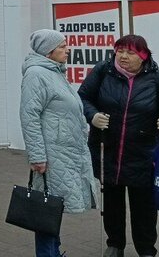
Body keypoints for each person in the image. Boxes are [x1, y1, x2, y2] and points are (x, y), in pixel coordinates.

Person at [79, 34, 159, 257]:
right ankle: (115, 244)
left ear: (143, 56)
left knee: (144, 206)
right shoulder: (103, 71)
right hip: (108, 149)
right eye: (120, 50)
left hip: (143, 153)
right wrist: (92, 115)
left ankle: (146, 249)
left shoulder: (157, 78)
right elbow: (83, 98)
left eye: (130, 52)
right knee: (112, 201)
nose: (123, 56)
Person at [20, 29, 98, 257]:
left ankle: (53, 251)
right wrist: (37, 156)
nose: (68, 50)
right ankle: (47, 253)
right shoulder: (36, 74)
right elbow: (29, 116)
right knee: (47, 207)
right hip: (52, 155)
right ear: (48, 51)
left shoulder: (54, 72)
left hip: (64, 152)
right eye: (62, 46)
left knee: (52, 206)